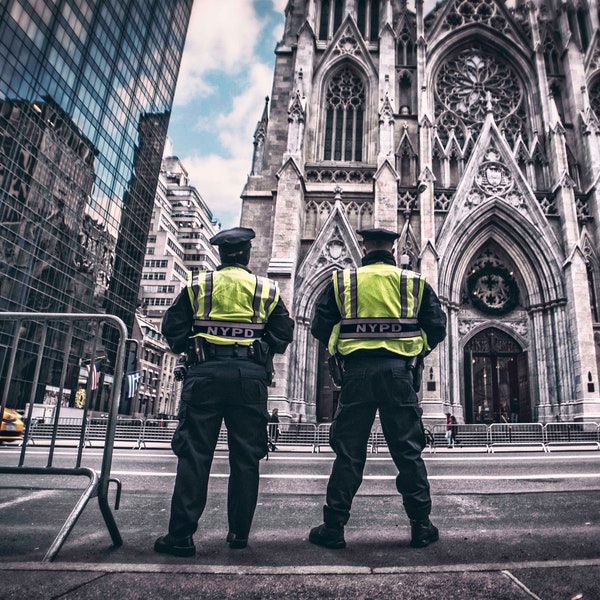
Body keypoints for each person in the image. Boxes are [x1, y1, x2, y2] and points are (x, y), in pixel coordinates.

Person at [154, 227, 294, 556]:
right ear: (246, 255)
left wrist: (192, 347)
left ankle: (181, 537)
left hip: (204, 375)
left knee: (195, 456)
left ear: (220, 255)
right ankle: (239, 535)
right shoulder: (266, 288)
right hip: (249, 379)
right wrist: (262, 350)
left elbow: (171, 328)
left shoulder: (197, 286)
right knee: (246, 458)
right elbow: (284, 332)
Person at [309, 228, 447, 550]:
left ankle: (334, 527)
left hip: (357, 375)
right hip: (399, 375)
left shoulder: (345, 282)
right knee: (408, 453)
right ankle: (421, 526)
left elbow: (319, 326)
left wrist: (338, 348)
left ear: (364, 247)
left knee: (348, 454)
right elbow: (437, 328)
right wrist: (416, 351)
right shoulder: (413, 283)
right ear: (393, 247)